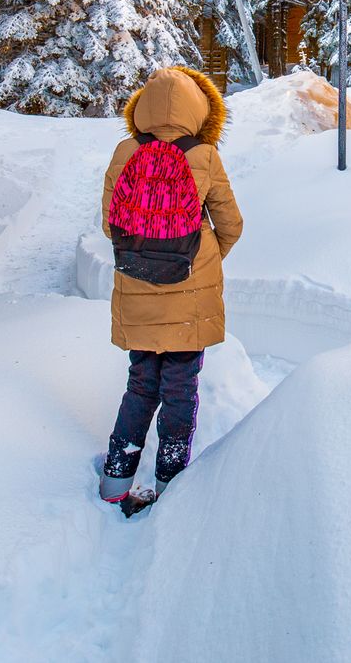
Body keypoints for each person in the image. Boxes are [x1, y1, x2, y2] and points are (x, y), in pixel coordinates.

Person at [97, 66, 242, 512]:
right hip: (190, 288)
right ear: (201, 109)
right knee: (181, 388)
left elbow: (110, 224)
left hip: (136, 284)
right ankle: (170, 484)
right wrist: (202, 255)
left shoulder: (125, 150)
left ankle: (115, 482)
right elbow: (232, 225)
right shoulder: (205, 154)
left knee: (140, 384)